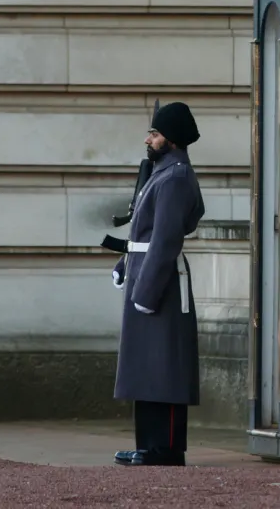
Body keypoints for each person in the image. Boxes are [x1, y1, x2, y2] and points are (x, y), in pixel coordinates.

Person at [110, 101, 205, 467]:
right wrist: (124, 264)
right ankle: (149, 445)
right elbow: (143, 232)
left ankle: (165, 447)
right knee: (145, 367)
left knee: (164, 368)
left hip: (160, 283)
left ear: (173, 139)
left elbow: (166, 239)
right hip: (147, 275)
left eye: (156, 133)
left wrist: (146, 291)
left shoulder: (176, 178)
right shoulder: (161, 174)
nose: (149, 138)